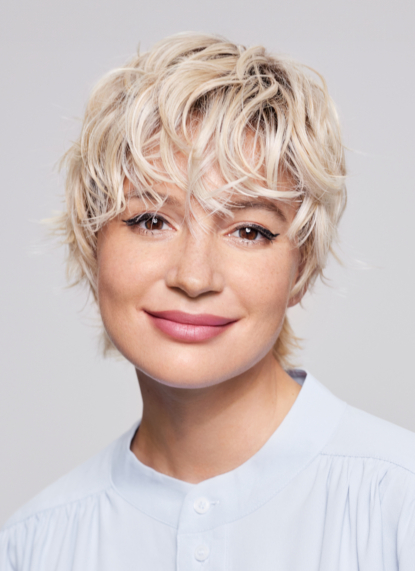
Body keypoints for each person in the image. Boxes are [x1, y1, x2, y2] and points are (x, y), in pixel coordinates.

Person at [1, 32, 414, 571]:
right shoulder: (33, 546)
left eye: (249, 230)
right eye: (151, 220)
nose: (194, 277)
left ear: (302, 267)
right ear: (91, 240)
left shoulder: (398, 502)